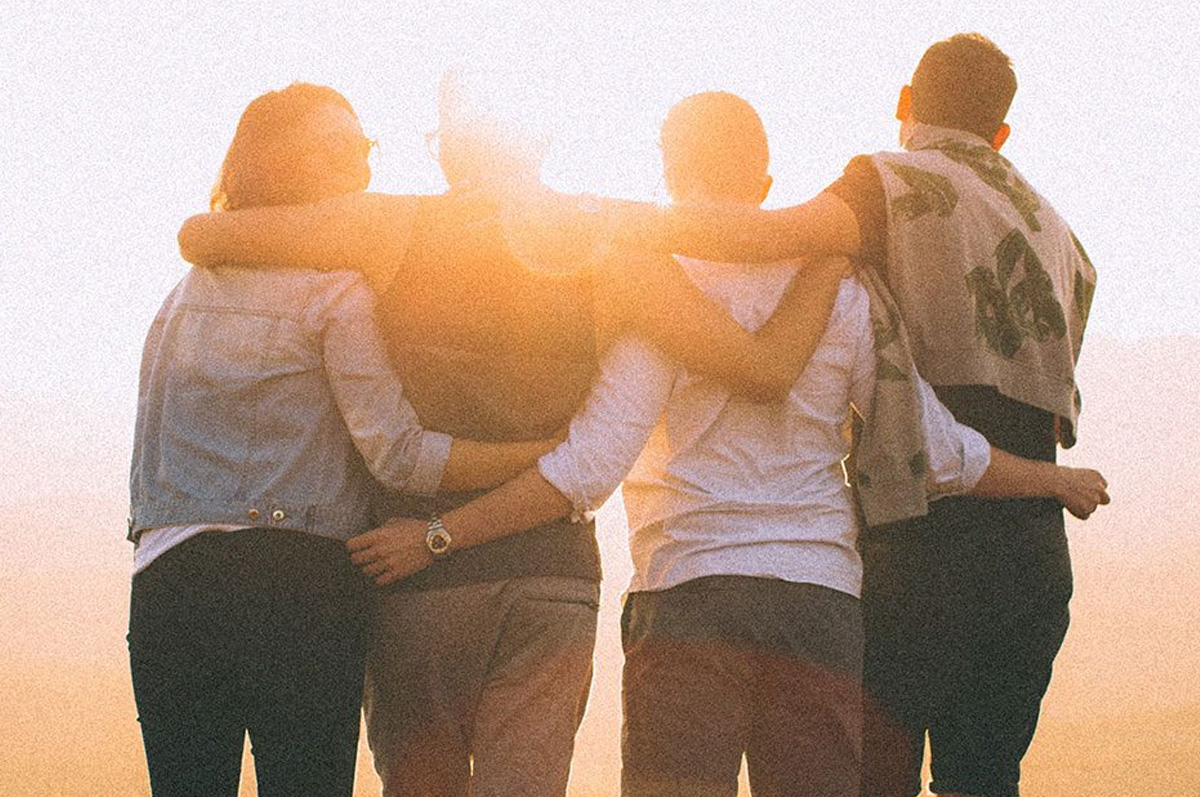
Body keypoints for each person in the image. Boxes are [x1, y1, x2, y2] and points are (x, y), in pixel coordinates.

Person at [348, 90, 1108, 797]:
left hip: (687, 593)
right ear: (767, 180)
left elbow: (588, 467)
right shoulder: (841, 288)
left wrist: (440, 535)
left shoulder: (659, 287)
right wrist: (1053, 481)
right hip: (818, 601)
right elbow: (937, 451)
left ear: (667, 171)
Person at [174, 70, 845, 797]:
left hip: (415, 576)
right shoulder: (613, 244)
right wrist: (833, 255)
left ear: (446, 149)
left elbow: (202, 235)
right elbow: (763, 366)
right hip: (549, 578)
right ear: (544, 140)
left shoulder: (384, 224)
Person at [127, 82, 562, 797]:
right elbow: (397, 453)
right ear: (278, 162)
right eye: (337, 150)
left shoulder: (182, 294)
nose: (361, 167)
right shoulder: (334, 288)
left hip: (168, 582)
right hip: (297, 584)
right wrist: (537, 456)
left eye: (364, 147)